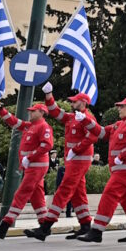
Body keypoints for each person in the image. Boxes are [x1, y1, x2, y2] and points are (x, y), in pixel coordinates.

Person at [25, 85, 100, 241]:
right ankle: (86, 225)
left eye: (74, 102)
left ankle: (45, 228)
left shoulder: (88, 118)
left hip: (80, 158)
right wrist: (48, 94)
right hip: (73, 158)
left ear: (83, 103)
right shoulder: (72, 117)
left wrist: (77, 149)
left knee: (64, 189)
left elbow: (93, 136)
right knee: (78, 192)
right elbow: (54, 111)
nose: (71, 104)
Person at [73, 97, 126, 243]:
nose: (119, 109)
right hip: (122, 167)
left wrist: (122, 156)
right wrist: (85, 120)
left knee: (110, 194)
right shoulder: (119, 124)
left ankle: (97, 230)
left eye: (122, 106)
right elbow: (101, 132)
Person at [0, 100, 53, 239]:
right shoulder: (30, 126)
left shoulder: (43, 126)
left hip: (36, 166)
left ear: (42, 112)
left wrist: (31, 157)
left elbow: (47, 145)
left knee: (21, 194)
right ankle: (44, 227)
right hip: (31, 166)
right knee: (36, 196)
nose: (30, 112)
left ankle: (4, 227)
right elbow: (13, 121)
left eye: (33, 111)